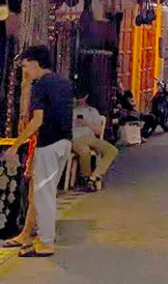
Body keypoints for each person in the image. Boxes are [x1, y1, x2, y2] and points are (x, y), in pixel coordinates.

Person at [1, 45, 72, 258]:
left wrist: (15, 145)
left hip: (48, 144)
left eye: (25, 65)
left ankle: (46, 243)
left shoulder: (40, 85)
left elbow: (37, 120)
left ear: (34, 63)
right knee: (43, 193)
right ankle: (30, 236)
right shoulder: (64, 82)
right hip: (64, 142)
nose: (25, 70)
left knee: (44, 195)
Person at [72, 90, 118, 191]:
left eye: (81, 97)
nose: (79, 99)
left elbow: (99, 131)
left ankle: (95, 176)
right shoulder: (70, 111)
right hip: (76, 138)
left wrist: (87, 123)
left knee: (112, 150)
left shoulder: (92, 111)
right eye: (77, 97)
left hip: (91, 137)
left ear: (86, 97)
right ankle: (86, 179)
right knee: (85, 151)